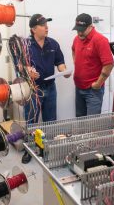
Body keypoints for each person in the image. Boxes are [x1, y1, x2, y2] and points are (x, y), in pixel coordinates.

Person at [22, 13, 70, 164]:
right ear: (34, 29)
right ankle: (29, 149)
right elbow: (20, 65)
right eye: (43, 25)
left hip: (50, 88)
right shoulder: (25, 45)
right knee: (31, 121)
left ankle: (48, 149)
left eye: (46, 24)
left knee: (50, 121)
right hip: (33, 89)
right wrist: (27, 70)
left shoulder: (53, 44)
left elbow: (60, 63)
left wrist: (64, 71)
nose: (46, 27)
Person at [72, 13, 114, 117]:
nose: (80, 33)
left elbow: (109, 64)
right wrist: (77, 63)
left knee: (91, 124)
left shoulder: (100, 40)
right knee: (80, 120)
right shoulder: (77, 39)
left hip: (93, 91)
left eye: (82, 30)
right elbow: (73, 49)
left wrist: (98, 83)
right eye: (78, 30)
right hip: (79, 87)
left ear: (90, 27)